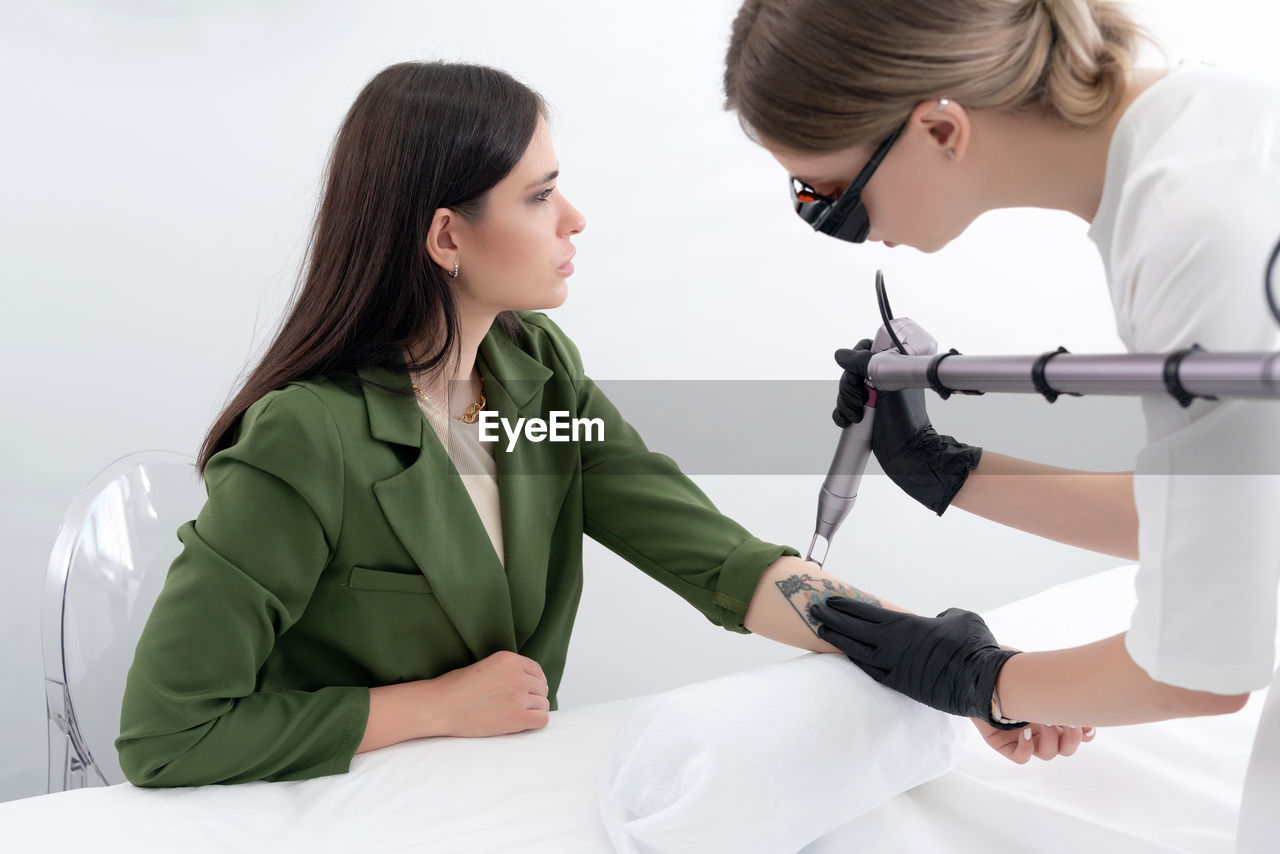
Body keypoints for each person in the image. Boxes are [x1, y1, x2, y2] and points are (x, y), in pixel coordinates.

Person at [116, 61, 1087, 787]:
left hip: (487, 800)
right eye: (539, 197)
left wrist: (953, 667)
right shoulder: (306, 437)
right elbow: (165, 733)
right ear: (447, 236)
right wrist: (430, 706)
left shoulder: (535, 378)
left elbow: (718, 560)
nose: (573, 218)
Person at [722, 0, 1280, 849]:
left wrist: (979, 681)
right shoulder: (1203, 140)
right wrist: (946, 467)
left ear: (941, 130)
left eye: (831, 198)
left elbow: (1202, 671)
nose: (828, 224)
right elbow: (1232, 525)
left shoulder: (1196, 232)